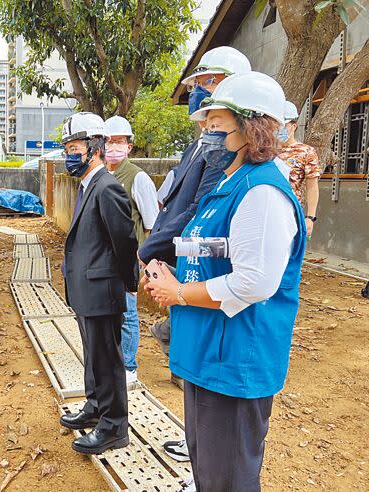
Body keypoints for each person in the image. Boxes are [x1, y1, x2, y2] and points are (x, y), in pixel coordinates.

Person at [145, 71, 307, 492]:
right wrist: (177, 272)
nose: (205, 132)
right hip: (209, 353)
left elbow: (255, 281)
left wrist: (178, 293)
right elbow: (222, 250)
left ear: (249, 125)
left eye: (215, 123)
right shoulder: (230, 183)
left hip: (236, 361)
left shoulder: (262, 192)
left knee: (228, 477)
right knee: (208, 468)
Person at [138, 46, 252, 463]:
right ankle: (196, 450)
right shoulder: (203, 143)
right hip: (186, 259)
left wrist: (154, 246)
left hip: (207, 271)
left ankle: (204, 458)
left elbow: (198, 208)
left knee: (209, 368)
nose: (200, 93)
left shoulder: (240, 166)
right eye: (198, 84)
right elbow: (175, 200)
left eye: (209, 83)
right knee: (192, 367)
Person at [58, 112, 138, 455]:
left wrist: (128, 282)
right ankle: (95, 406)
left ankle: (114, 426)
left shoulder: (108, 188)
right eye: (67, 149)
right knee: (93, 356)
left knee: (107, 358)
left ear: (95, 148)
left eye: (75, 148)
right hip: (86, 290)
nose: (69, 155)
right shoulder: (87, 185)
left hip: (102, 290)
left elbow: (125, 242)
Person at [104, 115, 159, 387]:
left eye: (119, 141)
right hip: (103, 259)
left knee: (127, 313)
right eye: (108, 141)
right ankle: (112, 362)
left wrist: (143, 263)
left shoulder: (138, 178)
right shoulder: (100, 175)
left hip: (128, 259)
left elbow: (151, 225)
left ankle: (128, 367)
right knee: (108, 311)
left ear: (129, 145)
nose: (113, 147)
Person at [279, 101, 321, 238]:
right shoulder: (264, 151)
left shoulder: (306, 152)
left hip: (290, 212)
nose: (279, 130)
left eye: (283, 125)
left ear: (293, 126)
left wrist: (310, 217)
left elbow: (312, 187)